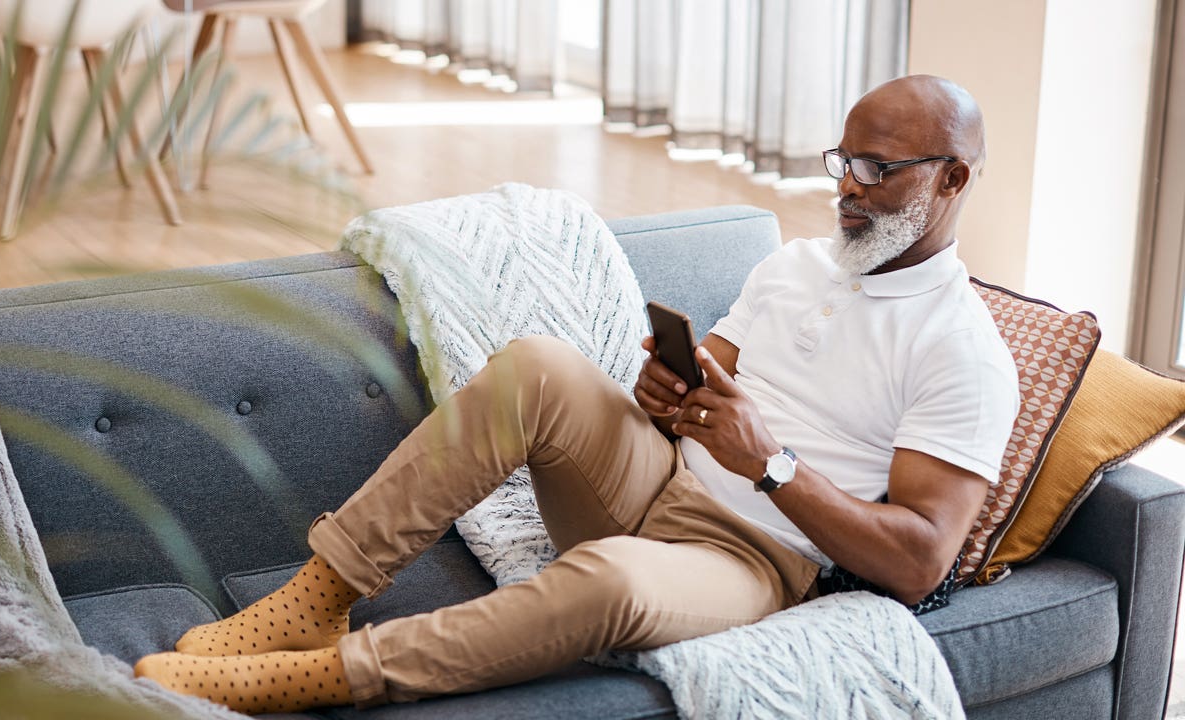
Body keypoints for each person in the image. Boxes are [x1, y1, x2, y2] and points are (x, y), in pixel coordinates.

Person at [134, 74, 1019, 714]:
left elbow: (916, 561)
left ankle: (328, 677)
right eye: (844, 161)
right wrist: (663, 389)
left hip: (757, 563)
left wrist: (771, 464)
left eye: (880, 170)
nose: (849, 189)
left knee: (614, 579)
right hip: (657, 486)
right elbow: (692, 388)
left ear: (953, 179)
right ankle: (318, 599)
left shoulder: (963, 350)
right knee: (539, 364)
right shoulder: (793, 266)